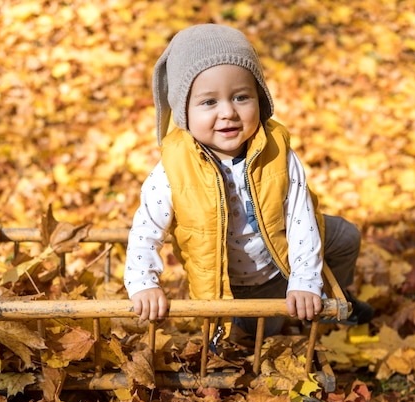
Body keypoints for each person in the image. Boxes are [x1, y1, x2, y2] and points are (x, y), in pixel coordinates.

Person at [123, 24, 373, 341]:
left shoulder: (276, 152)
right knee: (255, 335)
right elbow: (146, 229)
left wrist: (305, 279)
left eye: (241, 97)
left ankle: (326, 298)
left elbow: (301, 218)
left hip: (278, 258)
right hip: (233, 279)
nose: (228, 112)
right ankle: (268, 316)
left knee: (346, 236)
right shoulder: (173, 169)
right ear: (183, 111)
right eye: (209, 102)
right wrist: (143, 281)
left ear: (261, 99)